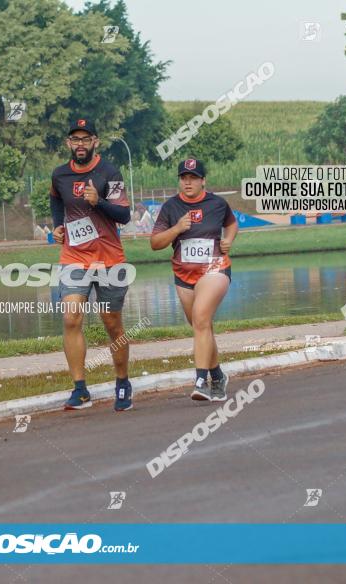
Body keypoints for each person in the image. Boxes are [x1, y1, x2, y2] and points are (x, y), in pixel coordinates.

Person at [50, 118, 134, 411]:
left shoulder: (108, 172)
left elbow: (124, 215)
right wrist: (57, 226)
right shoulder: (59, 175)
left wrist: (98, 201)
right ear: (68, 143)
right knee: (71, 318)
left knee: (112, 323)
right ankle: (80, 389)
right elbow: (56, 201)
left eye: (86, 139)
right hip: (74, 257)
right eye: (76, 139)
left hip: (109, 258)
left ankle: (122, 381)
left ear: (96, 141)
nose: (81, 144)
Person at [150, 158, 238, 401]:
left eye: (193, 178)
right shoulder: (171, 207)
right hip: (183, 275)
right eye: (183, 178)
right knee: (202, 326)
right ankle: (218, 376)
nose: (188, 182)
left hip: (215, 269)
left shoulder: (218, 204)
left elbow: (231, 224)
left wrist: (229, 240)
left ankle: (200, 381)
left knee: (200, 318)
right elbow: (155, 243)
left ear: (203, 181)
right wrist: (176, 229)